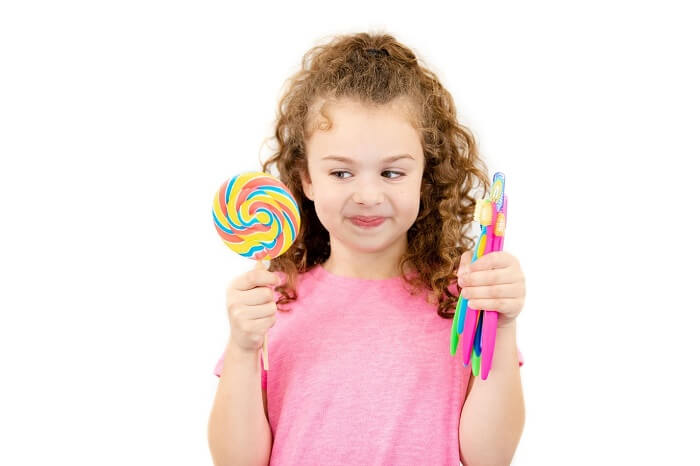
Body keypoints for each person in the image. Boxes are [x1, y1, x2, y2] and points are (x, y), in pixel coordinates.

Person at [208, 31, 526, 466]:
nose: (368, 195)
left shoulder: (462, 299)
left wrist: (502, 326)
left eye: (392, 173)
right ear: (306, 179)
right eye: (341, 173)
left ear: (424, 176)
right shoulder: (273, 300)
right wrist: (243, 349)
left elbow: (489, 457)